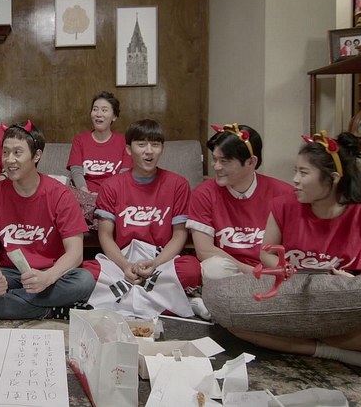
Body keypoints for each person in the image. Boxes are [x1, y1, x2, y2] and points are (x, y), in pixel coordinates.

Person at [228, 130, 361, 377]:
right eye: (295, 171)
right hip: (291, 296)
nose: (295, 180)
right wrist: (282, 269)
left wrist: (353, 284)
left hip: (338, 303)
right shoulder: (283, 206)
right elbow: (266, 253)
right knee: (233, 321)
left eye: (303, 173)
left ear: (333, 178)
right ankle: (335, 351)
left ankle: (298, 342)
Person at [0, 121, 96, 319]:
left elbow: (75, 253)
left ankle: (6, 306)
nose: (9, 159)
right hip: (10, 273)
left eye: (17, 153)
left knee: (84, 281)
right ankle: (49, 310)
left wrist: (48, 277)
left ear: (36, 155)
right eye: (5, 152)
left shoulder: (60, 195)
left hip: (50, 273)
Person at [83, 119, 204, 319]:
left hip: (161, 260)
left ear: (162, 148)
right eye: (141, 144)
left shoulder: (178, 184)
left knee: (192, 269)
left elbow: (179, 234)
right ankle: (174, 301)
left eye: (155, 144)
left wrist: (155, 264)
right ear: (128, 149)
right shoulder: (112, 186)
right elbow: (105, 235)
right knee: (86, 274)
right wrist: (125, 266)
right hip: (122, 260)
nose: (149, 151)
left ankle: (127, 297)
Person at [186, 123, 293, 281]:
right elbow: (204, 250)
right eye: (214, 159)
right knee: (213, 268)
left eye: (224, 161)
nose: (216, 167)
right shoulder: (203, 194)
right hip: (229, 272)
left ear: (251, 162)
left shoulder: (284, 194)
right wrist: (253, 272)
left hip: (273, 272)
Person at [67, 91, 132, 195]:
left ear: (114, 116)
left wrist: (104, 195)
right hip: (85, 195)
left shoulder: (124, 141)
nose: (98, 114)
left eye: (104, 110)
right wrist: (85, 192)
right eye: (95, 109)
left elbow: (124, 174)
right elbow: (76, 171)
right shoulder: (80, 140)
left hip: (113, 195)